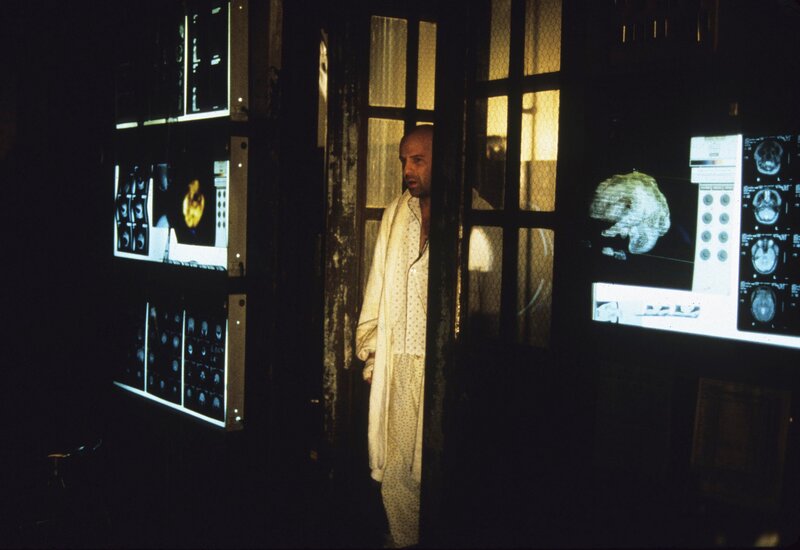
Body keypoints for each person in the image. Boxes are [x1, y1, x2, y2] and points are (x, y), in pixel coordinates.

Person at [355, 124, 434, 548]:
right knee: (398, 475)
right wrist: (372, 353)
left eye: (417, 160)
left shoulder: (473, 214)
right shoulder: (395, 215)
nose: (407, 170)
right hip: (398, 363)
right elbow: (377, 284)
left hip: (440, 368)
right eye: (404, 160)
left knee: (438, 471)